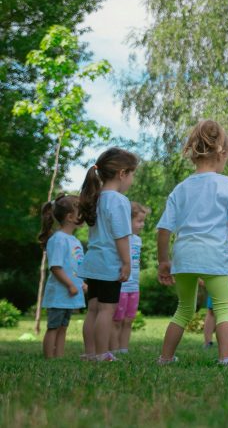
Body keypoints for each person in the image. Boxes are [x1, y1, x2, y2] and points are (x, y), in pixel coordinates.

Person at [156, 120, 228, 365]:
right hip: (214, 257)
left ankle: (165, 358)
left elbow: (163, 229)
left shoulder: (180, 189)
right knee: (224, 308)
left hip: (183, 257)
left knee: (183, 309)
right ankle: (226, 357)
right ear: (222, 152)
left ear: (193, 153)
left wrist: (163, 261)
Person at [78, 147, 138, 362]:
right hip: (109, 263)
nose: (132, 180)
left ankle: (90, 353)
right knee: (106, 310)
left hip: (93, 262)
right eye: (132, 175)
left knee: (93, 309)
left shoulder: (97, 197)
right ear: (122, 173)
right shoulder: (119, 200)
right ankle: (103, 353)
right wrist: (126, 262)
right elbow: (121, 235)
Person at [39, 195, 85, 359]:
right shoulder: (58, 239)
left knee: (63, 327)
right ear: (70, 217)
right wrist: (70, 285)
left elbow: (76, 266)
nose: (84, 215)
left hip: (68, 294)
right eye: (81, 211)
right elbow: (56, 267)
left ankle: (58, 358)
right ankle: (49, 359)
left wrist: (81, 283)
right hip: (59, 294)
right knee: (53, 327)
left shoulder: (74, 240)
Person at [111, 202, 149, 355]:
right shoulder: (121, 239)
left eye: (143, 221)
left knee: (128, 320)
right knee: (117, 320)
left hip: (134, 286)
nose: (142, 224)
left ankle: (123, 349)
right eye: (139, 221)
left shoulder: (138, 240)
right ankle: (112, 349)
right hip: (121, 286)